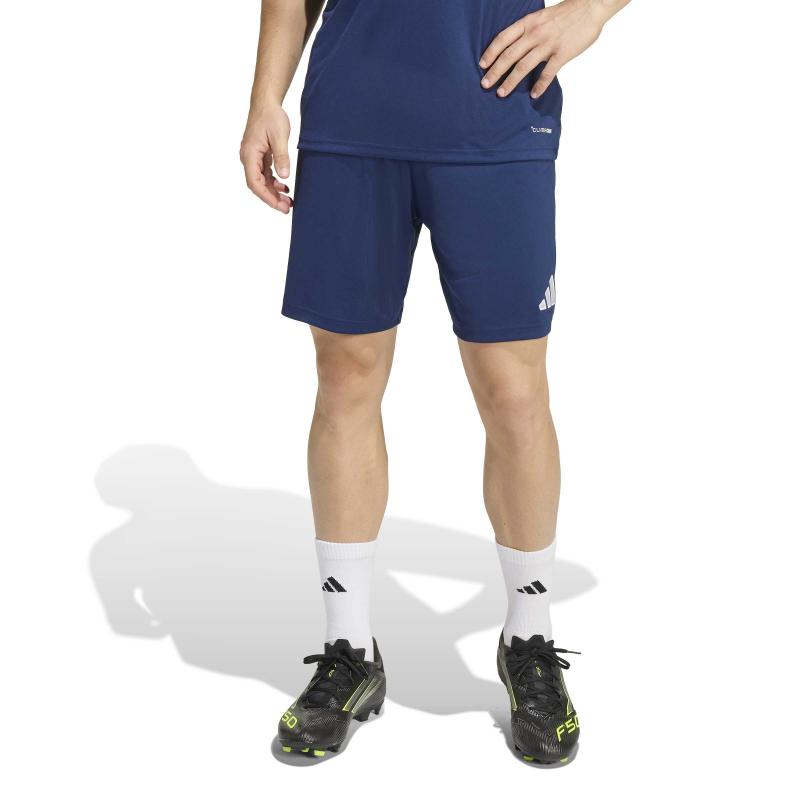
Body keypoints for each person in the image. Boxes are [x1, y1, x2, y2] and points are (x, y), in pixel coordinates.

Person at [241, 0, 630, 764]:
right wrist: (265, 98)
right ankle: (350, 649)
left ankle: (528, 639)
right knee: (345, 378)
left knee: (514, 394)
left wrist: (590, 12)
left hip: (496, 113)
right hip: (353, 116)